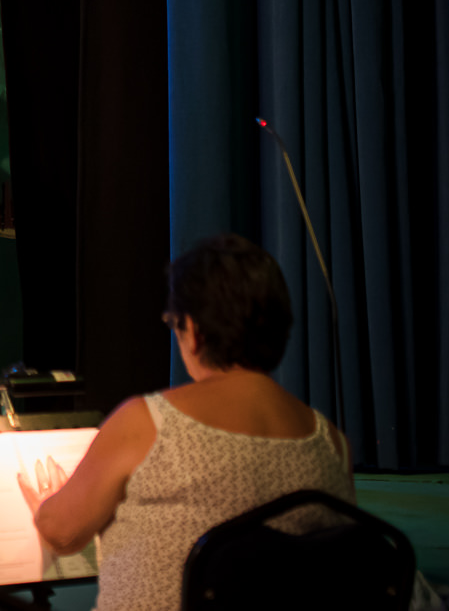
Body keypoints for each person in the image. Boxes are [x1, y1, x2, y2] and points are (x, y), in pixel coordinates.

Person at [19, 234, 355, 610]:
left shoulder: (148, 423)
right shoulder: (332, 443)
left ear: (193, 331)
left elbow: (63, 533)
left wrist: (46, 506)